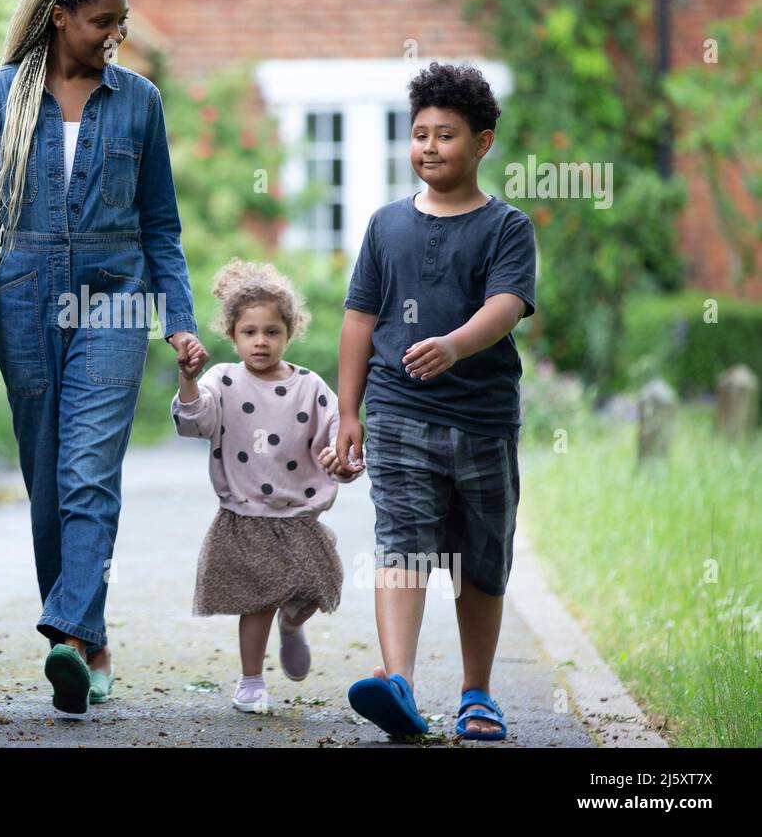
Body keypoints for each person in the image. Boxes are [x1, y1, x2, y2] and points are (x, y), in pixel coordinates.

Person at [0, 0, 208, 715]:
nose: (115, 37)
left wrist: (178, 318)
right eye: (103, 23)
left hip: (115, 292)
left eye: (121, 23)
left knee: (89, 469)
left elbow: (161, 222)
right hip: (23, 292)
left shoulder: (141, 103)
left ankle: (64, 631)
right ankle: (88, 642)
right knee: (47, 477)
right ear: (61, 16)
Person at [324, 62, 537, 741]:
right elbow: (359, 318)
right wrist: (349, 411)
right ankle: (400, 686)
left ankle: (478, 693)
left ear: (483, 142)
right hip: (397, 414)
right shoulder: (386, 226)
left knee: (482, 557)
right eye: (419, 134)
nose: (430, 147)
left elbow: (506, 306)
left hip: (481, 421)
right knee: (402, 545)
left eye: (446, 134)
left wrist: (455, 344)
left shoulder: (507, 227)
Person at [171, 259, 350, 713]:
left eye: (272, 331)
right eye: (249, 332)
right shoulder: (223, 381)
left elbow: (337, 431)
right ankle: (251, 681)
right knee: (257, 602)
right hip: (247, 513)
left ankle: (292, 625)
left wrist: (341, 457)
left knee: (320, 586)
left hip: (299, 513)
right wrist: (188, 379)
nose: (261, 341)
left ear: (290, 332)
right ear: (232, 335)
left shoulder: (310, 385)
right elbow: (195, 422)